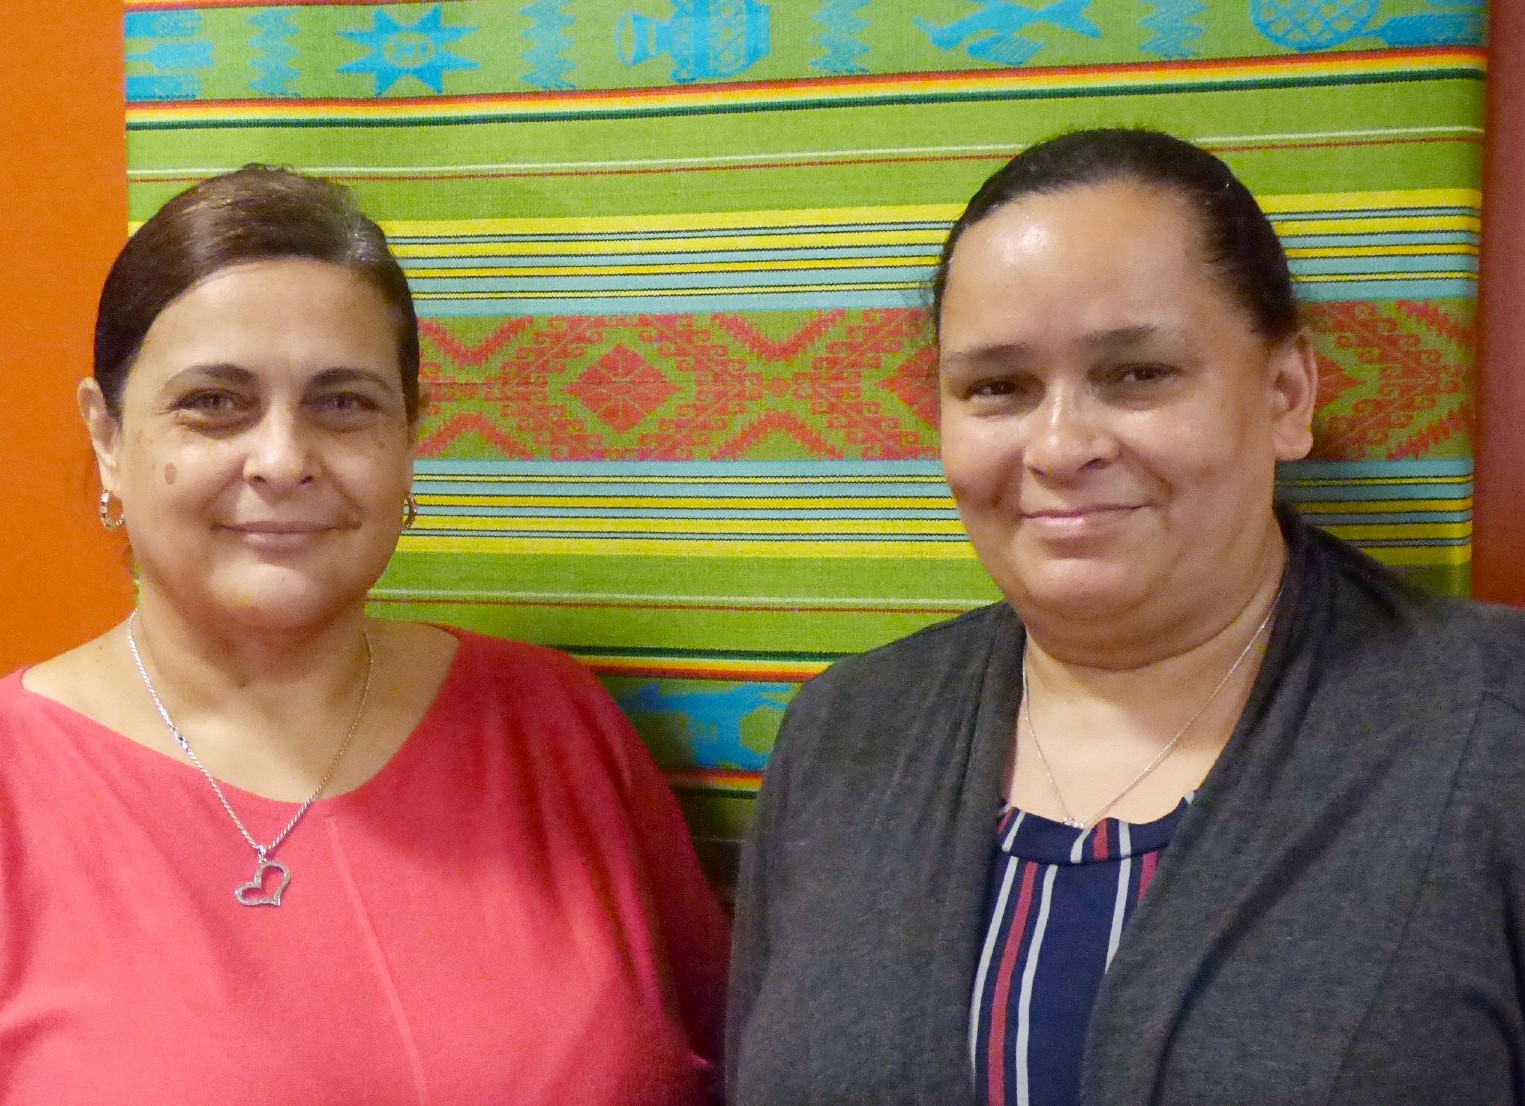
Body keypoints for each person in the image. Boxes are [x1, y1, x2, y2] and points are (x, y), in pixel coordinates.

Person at [727, 128, 1525, 1106]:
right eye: (997, 387)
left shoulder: (1491, 734)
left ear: (1286, 392)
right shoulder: (845, 736)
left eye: (1137, 372)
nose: (1059, 445)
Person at [1, 166, 728, 1104]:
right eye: (214, 402)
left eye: (343, 403)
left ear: (409, 437)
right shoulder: (18, 786)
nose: (283, 459)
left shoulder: (557, 727)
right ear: (106, 436)